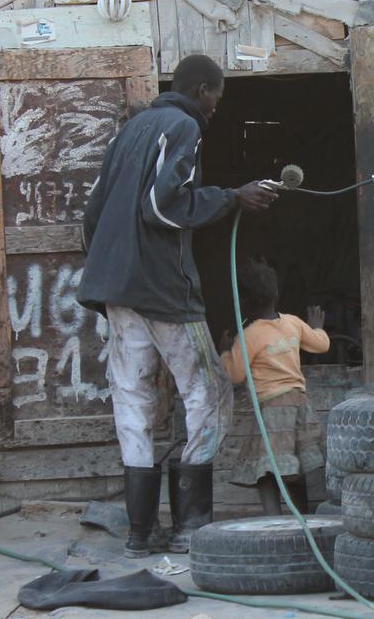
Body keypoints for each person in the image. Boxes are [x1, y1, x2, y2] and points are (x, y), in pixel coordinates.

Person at [79, 54, 279, 558]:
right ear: (203, 89)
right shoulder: (183, 125)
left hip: (116, 289)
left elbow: (94, 213)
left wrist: (114, 265)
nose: (216, 109)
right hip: (164, 289)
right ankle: (192, 526)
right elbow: (164, 205)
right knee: (209, 393)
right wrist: (234, 196)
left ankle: (140, 533)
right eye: (217, 98)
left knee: (133, 400)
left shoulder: (130, 131)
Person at [219, 260, 330, 514]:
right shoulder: (292, 323)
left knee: (266, 469)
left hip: (271, 410)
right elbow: (322, 345)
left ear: (244, 301)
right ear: (276, 294)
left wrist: (226, 351)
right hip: (299, 404)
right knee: (294, 465)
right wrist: (317, 327)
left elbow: (235, 374)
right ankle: (302, 517)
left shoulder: (249, 336)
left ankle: (273, 521)